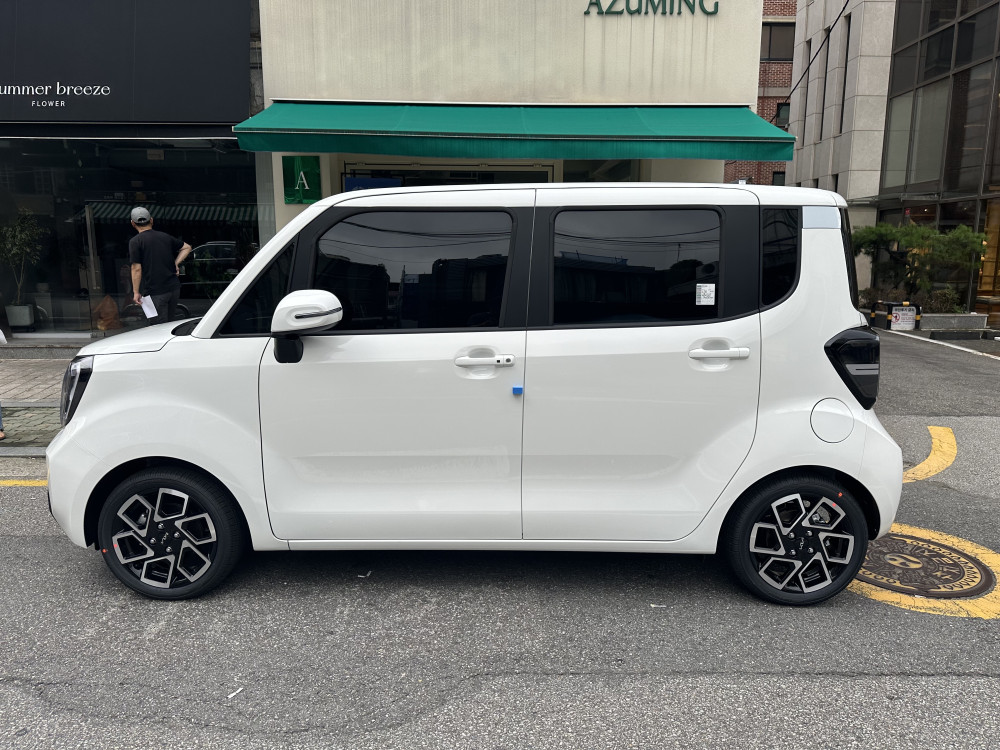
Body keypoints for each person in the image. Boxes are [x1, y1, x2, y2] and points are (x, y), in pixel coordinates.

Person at [128, 207, 192, 325]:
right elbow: (187, 247)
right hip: (173, 289)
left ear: (133, 223)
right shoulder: (165, 237)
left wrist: (136, 292)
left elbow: (136, 269)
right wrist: (176, 263)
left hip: (155, 292)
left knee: (158, 327)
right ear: (151, 220)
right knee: (169, 324)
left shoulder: (135, 241)